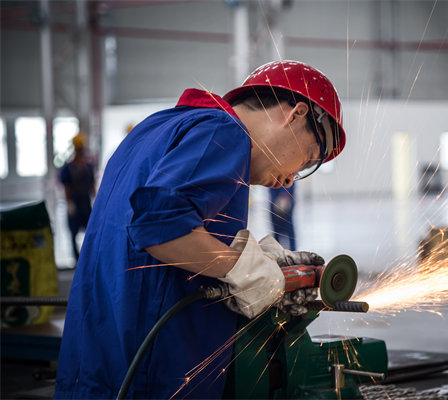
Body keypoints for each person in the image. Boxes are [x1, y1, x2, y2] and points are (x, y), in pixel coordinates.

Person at [54, 60, 346, 399]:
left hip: (99, 368)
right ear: (295, 114)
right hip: (154, 375)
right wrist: (243, 269)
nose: (294, 175)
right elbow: (158, 225)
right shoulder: (225, 133)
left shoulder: (158, 126)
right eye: (309, 157)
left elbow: (149, 229)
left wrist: (246, 256)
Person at [59, 133, 96, 262]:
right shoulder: (68, 168)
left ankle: (89, 258)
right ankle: (77, 260)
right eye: (78, 148)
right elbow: (66, 187)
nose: (80, 150)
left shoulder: (88, 167)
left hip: (85, 203)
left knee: (90, 232)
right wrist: (69, 203)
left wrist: (97, 201)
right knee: (73, 233)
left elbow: (92, 186)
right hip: (75, 202)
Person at [269, 183, 297, 250]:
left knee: (289, 228)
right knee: (276, 229)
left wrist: (284, 195)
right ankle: (277, 253)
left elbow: (290, 180)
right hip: (274, 200)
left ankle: (293, 252)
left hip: (286, 200)